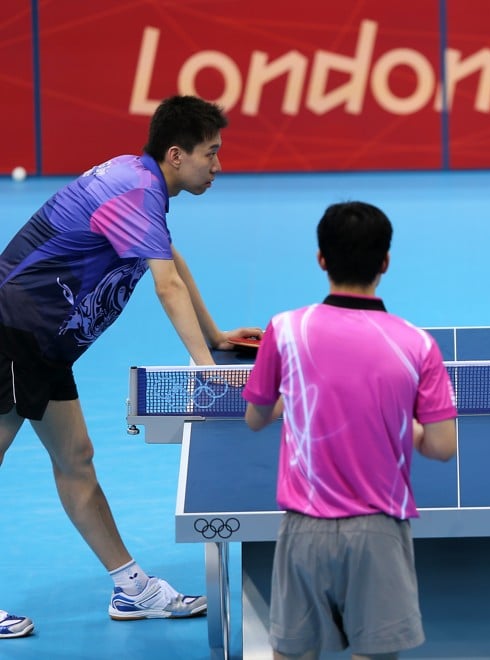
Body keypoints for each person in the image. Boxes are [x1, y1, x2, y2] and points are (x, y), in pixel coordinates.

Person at [0, 95, 264, 636]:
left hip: (48, 344)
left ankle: (132, 588)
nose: (218, 165)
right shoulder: (136, 189)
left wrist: (214, 336)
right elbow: (165, 286)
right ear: (176, 155)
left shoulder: (142, 185)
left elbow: (169, 260)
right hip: (14, 330)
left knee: (76, 459)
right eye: (211, 153)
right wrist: (206, 368)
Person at [242, 201, 458, 659]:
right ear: (385, 262)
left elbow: (256, 417)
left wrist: (292, 395)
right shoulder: (418, 344)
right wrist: (405, 425)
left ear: (321, 259)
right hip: (378, 534)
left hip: (304, 531)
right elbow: (442, 446)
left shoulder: (285, 329)